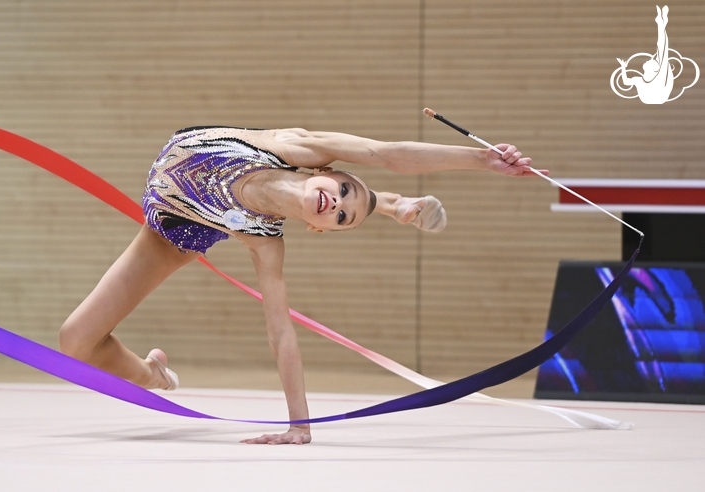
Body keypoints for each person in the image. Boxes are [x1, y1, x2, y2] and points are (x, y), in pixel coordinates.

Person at [58, 124, 540, 445]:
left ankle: (152, 376)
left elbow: (281, 332)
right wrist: (484, 160)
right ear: (325, 173)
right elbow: (385, 153)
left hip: (173, 228)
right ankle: (393, 205)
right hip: (189, 170)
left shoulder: (265, 241)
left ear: (320, 231)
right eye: (343, 191)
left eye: (342, 219)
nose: (338, 204)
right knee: (79, 340)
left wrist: (299, 425)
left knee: (74, 341)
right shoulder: (289, 147)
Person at [617, 5, 673, 104]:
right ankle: (661, 23)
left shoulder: (657, 77)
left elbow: (662, 49)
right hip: (655, 97)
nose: (649, 59)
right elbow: (626, 82)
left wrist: (623, 68)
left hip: (657, 96)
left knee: (662, 51)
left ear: (654, 69)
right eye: (652, 60)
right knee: (662, 52)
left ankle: (661, 23)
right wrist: (623, 67)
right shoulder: (641, 80)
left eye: (652, 61)